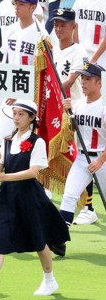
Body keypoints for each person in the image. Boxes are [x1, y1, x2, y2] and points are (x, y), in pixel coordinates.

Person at [0, 100, 67, 299]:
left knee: (38, 240)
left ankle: (49, 279)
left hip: (28, 195)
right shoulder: (7, 140)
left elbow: (33, 172)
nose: (16, 118)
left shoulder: (37, 141)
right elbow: (4, 165)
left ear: (31, 118)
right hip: (7, 196)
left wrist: (5, 177)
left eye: (21, 114)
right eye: (15, 114)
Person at [58, 62, 106, 226]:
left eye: (88, 79)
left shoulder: (104, 106)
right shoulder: (77, 105)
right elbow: (71, 134)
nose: (83, 82)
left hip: (103, 160)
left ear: (100, 83)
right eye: (82, 78)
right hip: (82, 159)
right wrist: (68, 115)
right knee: (69, 197)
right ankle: (59, 240)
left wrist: (100, 161)